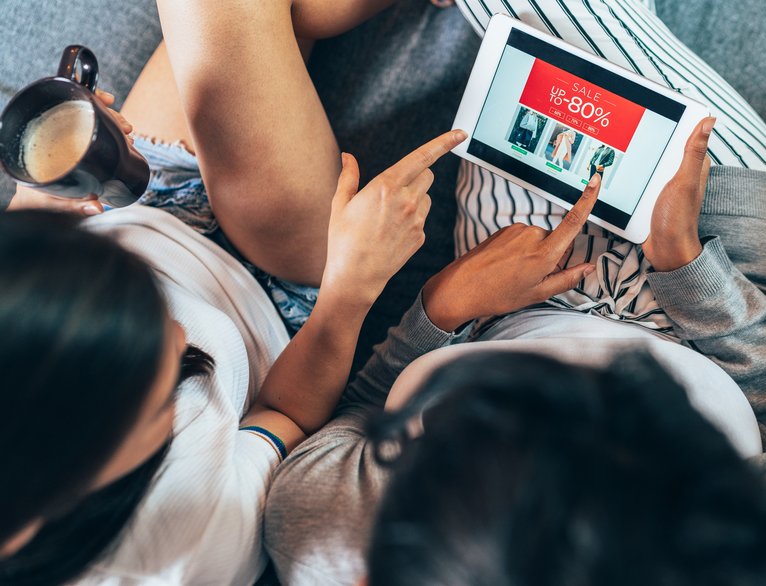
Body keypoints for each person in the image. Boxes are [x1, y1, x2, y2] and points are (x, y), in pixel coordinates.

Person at [263, 1, 766, 584]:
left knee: (525, 32)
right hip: (721, 270)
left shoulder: (326, 539)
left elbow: (357, 416)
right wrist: (688, 268)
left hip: (502, 287)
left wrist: (446, 304)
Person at [0, 0, 469, 583]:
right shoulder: (190, 547)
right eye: (160, 397)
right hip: (267, 284)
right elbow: (285, 411)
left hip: (138, 199)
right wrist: (352, 287)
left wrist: (47, 192)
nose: (178, 331)